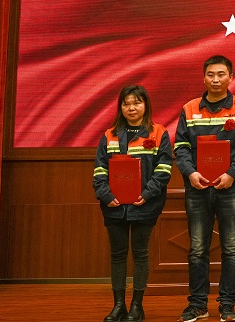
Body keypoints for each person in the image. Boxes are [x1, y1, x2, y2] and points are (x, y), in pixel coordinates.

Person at [174, 55, 235, 322]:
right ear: (204, 78)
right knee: (197, 249)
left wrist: (232, 174)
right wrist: (190, 172)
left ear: (230, 77)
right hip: (197, 187)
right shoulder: (189, 109)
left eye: (221, 74)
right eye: (211, 74)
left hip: (230, 187)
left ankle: (227, 304)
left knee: (231, 248)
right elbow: (180, 146)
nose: (216, 79)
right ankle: (198, 304)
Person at [93, 85, 173, 322]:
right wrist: (107, 195)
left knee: (140, 254)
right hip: (114, 206)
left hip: (145, 205)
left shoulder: (158, 133)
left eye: (137, 102)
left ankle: (137, 306)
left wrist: (147, 194)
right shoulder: (109, 135)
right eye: (126, 103)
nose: (131, 108)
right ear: (120, 107)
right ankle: (118, 306)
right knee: (117, 255)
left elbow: (164, 169)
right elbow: (99, 170)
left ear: (145, 105)